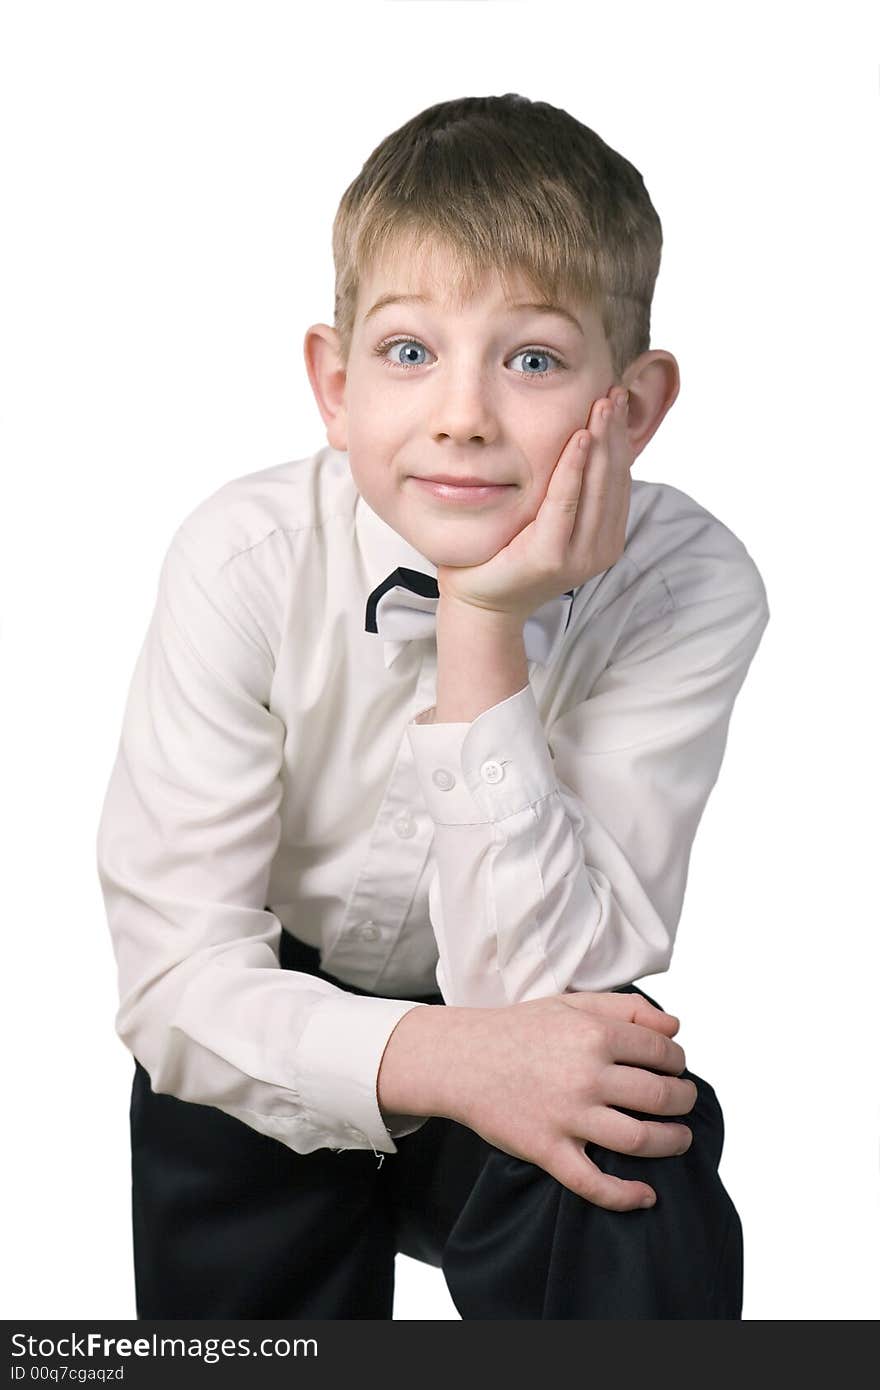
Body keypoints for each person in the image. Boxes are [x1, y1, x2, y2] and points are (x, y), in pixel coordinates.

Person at [96, 93, 770, 1320]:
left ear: (634, 404)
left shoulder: (688, 582)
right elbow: (176, 977)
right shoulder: (242, 558)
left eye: (532, 359)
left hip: (523, 994)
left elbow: (564, 980)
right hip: (270, 1017)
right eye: (411, 353)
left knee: (627, 1118)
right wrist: (443, 1063)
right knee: (216, 1150)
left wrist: (482, 622)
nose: (463, 413)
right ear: (335, 384)